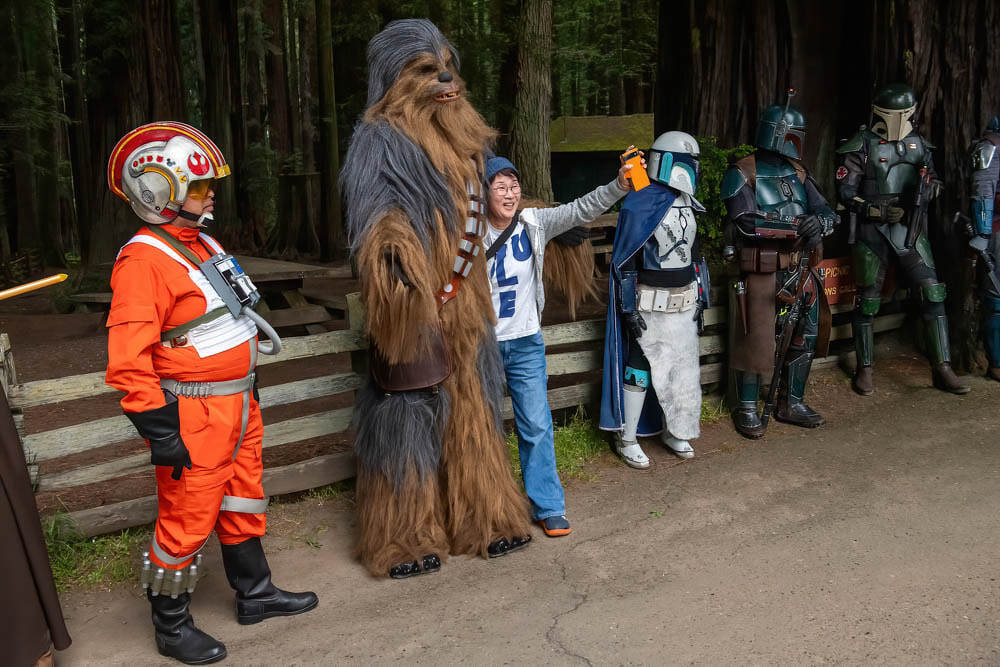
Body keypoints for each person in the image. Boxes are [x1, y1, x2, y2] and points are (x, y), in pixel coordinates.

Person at [106, 122, 317, 665]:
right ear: (162, 193)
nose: (211, 195)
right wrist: (159, 431)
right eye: (200, 188)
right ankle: (171, 626)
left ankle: (256, 593)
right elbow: (128, 361)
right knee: (187, 515)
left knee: (242, 496)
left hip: (238, 401)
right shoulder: (143, 261)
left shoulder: (202, 243)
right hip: (194, 414)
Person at [341, 19, 532, 581]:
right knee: (405, 416)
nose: (446, 78)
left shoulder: (466, 141)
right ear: (395, 80)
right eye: (427, 69)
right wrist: (394, 258)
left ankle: (487, 518)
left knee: (474, 415)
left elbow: (495, 207)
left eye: (448, 64)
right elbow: (379, 216)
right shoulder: (378, 143)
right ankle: (403, 536)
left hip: (469, 313)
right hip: (416, 306)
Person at [483, 154, 633, 533]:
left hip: (525, 343)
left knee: (535, 423)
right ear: (483, 193)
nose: (509, 193)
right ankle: (486, 506)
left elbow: (582, 207)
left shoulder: (534, 223)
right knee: (481, 428)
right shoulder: (468, 232)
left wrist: (619, 185)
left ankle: (548, 504)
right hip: (480, 347)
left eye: (514, 185)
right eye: (500, 186)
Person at [835, 83, 969, 396]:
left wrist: (931, 188)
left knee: (933, 292)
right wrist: (875, 209)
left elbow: (932, 177)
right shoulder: (861, 145)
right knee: (867, 300)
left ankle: (942, 366)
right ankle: (865, 368)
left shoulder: (919, 144)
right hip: (873, 232)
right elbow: (845, 192)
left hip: (911, 229)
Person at [721, 99, 839, 439]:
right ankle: (746, 406)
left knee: (807, 331)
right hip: (761, 269)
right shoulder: (742, 172)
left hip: (801, 267)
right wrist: (795, 225)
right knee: (755, 335)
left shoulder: (798, 172)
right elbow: (744, 221)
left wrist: (819, 223)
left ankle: (793, 401)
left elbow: (826, 211)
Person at [600, 131, 708, 467]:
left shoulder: (689, 202)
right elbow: (626, 261)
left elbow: (696, 256)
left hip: (683, 299)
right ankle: (627, 436)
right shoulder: (640, 201)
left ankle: (675, 428)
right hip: (649, 302)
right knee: (640, 365)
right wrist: (628, 307)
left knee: (682, 368)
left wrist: (701, 298)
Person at [969, 115, 1000, 381]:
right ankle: (998, 363)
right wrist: (983, 232)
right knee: (997, 300)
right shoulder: (989, 148)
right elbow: (983, 192)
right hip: (997, 234)